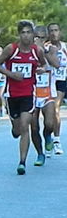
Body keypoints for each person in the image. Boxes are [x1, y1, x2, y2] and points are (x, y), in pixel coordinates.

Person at [0, 20, 58, 174]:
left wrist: (42, 69)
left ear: (33, 34)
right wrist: (11, 74)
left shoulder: (37, 51)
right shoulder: (11, 49)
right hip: (12, 94)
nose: (26, 35)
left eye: (29, 32)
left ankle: (22, 162)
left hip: (29, 94)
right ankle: (14, 128)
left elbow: (44, 65)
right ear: (19, 34)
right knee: (17, 129)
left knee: (25, 127)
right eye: (23, 32)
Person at [31, 27, 57, 165]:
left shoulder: (51, 49)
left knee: (49, 123)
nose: (39, 40)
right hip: (32, 93)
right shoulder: (28, 50)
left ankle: (48, 135)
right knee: (34, 127)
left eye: (42, 38)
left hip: (48, 93)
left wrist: (43, 52)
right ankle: (40, 154)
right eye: (37, 37)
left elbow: (56, 64)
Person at [47, 23, 67, 155]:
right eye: (51, 31)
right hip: (48, 81)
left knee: (56, 107)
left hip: (61, 80)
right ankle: (48, 137)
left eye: (56, 30)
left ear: (59, 32)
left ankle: (57, 140)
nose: (54, 33)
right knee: (49, 113)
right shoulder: (45, 47)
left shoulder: (65, 47)